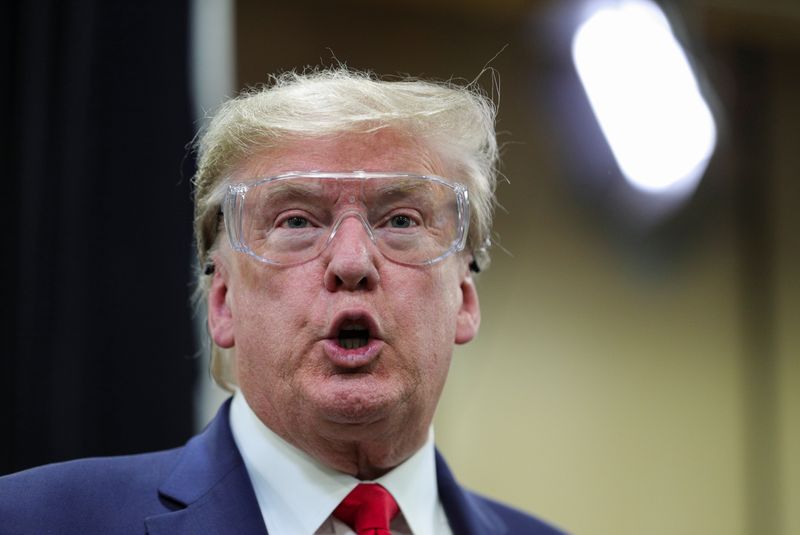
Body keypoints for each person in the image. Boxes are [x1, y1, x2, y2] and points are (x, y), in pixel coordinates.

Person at [0, 68, 565, 534]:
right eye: (296, 221)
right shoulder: (31, 520)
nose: (351, 262)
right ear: (222, 303)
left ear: (464, 297)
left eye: (401, 220)